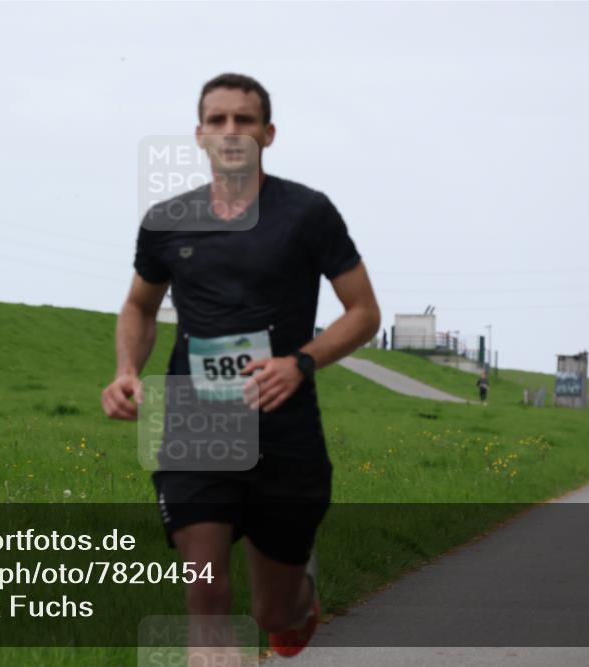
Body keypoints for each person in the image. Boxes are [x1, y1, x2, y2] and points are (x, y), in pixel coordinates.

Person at [101, 73, 380, 660]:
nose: (232, 132)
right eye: (219, 120)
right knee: (205, 594)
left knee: (273, 614)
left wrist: (300, 363)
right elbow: (139, 306)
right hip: (194, 421)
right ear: (199, 134)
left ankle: (299, 593)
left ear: (268, 134)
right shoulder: (166, 221)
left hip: (282, 424)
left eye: (245, 120)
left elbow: (363, 313)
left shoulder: (307, 213)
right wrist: (127, 368)